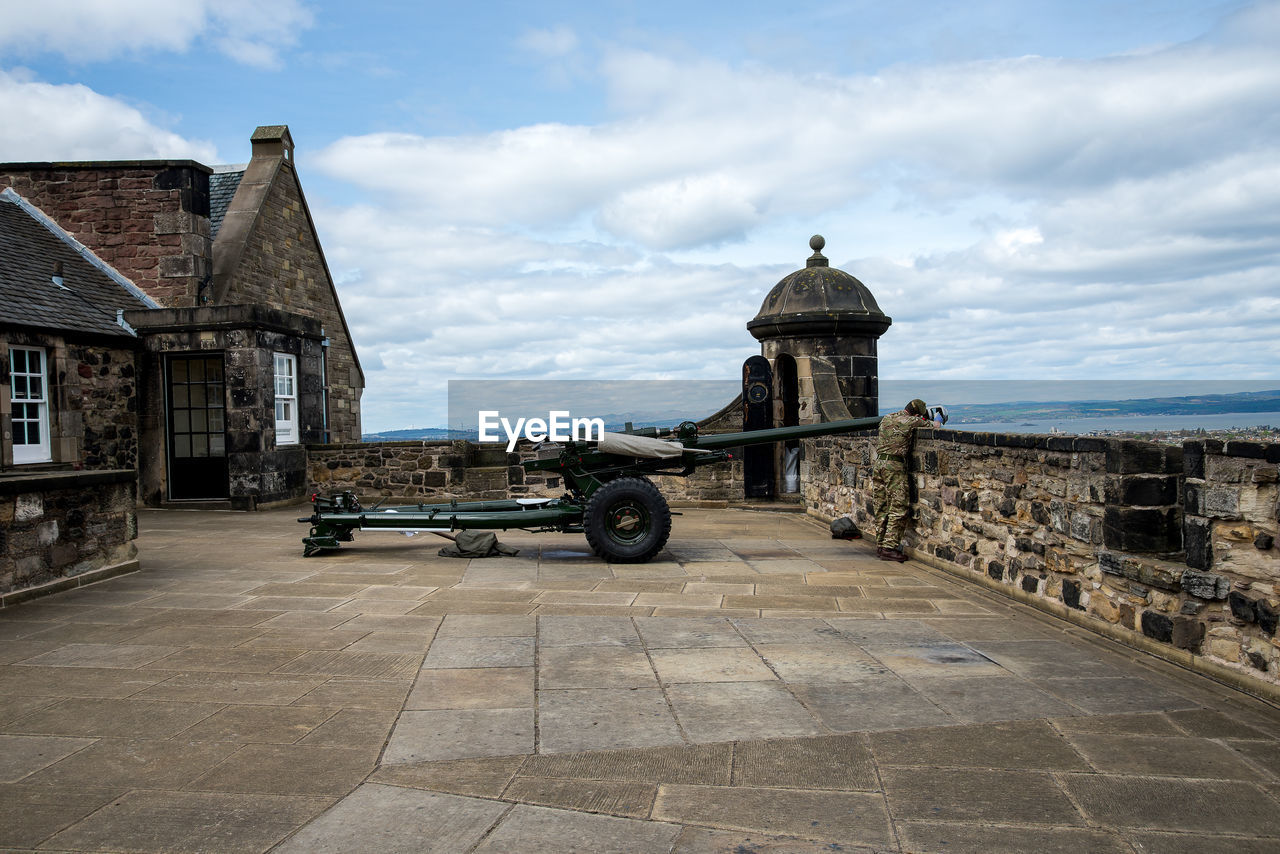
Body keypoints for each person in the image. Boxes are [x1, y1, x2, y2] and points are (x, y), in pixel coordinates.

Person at [872, 398, 932, 562]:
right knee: (899, 506)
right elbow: (934, 426)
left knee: (881, 505)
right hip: (894, 465)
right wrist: (936, 420)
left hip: (879, 464)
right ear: (918, 413)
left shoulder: (887, 417)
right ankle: (889, 548)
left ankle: (880, 543)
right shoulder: (912, 421)